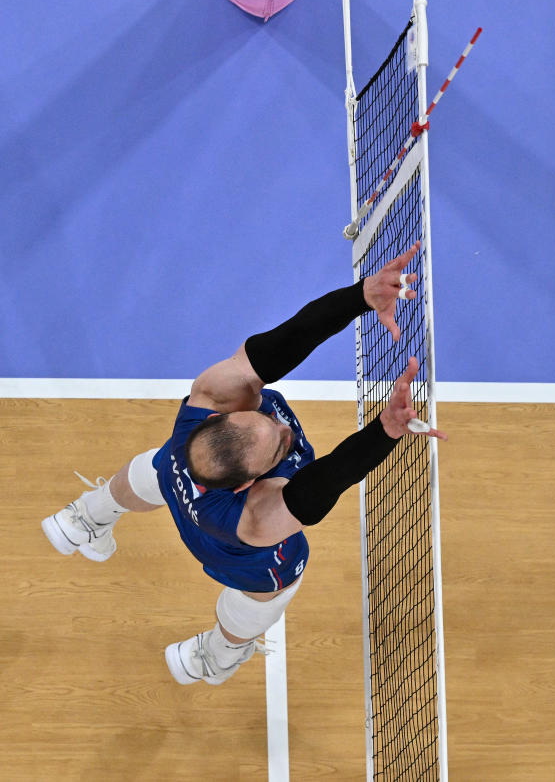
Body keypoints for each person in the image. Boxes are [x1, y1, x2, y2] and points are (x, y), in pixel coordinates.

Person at [41, 244, 445, 685]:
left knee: (158, 468)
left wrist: (359, 297)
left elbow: (291, 335)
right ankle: (213, 658)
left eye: (267, 421)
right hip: (233, 551)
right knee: (274, 585)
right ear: (247, 485)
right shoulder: (256, 518)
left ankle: (86, 517)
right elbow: (328, 479)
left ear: (222, 416)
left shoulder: (209, 398)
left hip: (180, 485)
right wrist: (385, 429)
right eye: (278, 448)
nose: (285, 431)